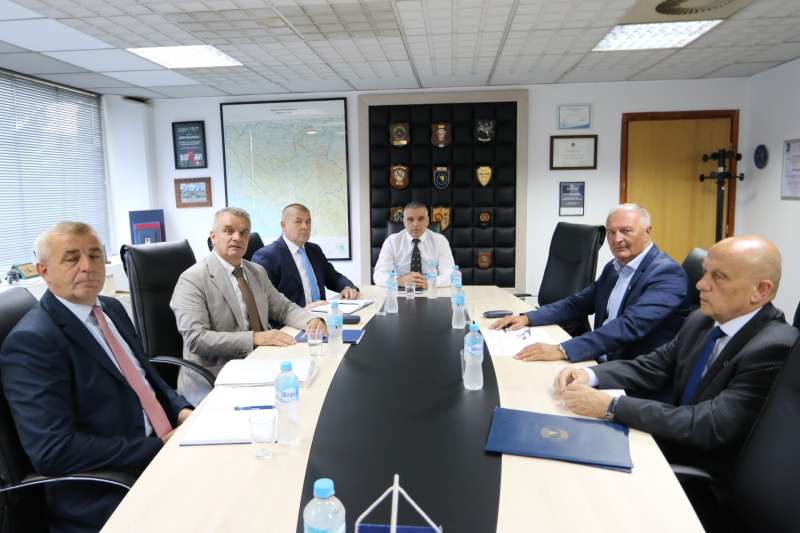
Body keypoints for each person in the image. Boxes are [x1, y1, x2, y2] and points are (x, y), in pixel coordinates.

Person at [0, 222, 193, 533]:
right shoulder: (33, 341)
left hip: (167, 451)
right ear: (43, 271)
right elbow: (54, 450)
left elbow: (146, 379)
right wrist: (157, 447)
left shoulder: (111, 308)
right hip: (113, 486)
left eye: (94, 255)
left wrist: (182, 411)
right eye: (72, 258)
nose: (88, 267)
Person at [553, 235, 798, 478]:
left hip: (705, 472)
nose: (700, 285)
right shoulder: (701, 320)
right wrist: (590, 374)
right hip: (670, 440)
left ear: (761, 290)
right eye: (704, 272)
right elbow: (652, 366)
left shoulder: (774, 347)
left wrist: (611, 406)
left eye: (718, 276)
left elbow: (710, 426)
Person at [491, 204, 689, 362]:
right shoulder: (615, 267)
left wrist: (562, 350)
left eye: (626, 231)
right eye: (611, 232)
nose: (617, 239)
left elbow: (628, 326)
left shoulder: (667, 275)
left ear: (647, 232)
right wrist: (529, 318)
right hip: (599, 357)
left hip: (631, 370)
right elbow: (578, 303)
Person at [171, 207, 326, 406]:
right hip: (216, 377)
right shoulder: (192, 279)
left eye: (244, 233)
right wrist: (254, 338)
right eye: (229, 231)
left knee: (313, 388)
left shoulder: (256, 271)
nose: (237, 237)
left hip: (260, 362)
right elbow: (196, 339)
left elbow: (283, 307)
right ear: (214, 237)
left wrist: (311, 320)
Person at [250, 203, 358, 308]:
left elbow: (334, 277)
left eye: (308, 222)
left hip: (322, 314)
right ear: (283, 226)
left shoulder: (314, 250)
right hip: (293, 318)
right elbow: (266, 303)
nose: (305, 227)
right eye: (298, 222)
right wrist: (302, 311)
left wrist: (347, 287)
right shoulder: (267, 257)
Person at [373, 201, 455, 288]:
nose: (415, 224)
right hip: (402, 289)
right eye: (410, 219)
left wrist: (430, 283)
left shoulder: (440, 241)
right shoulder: (392, 241)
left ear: (427, 221)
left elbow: (451, 275)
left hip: (431, 289)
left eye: (421, 219)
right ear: (404, 222)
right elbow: (378, 275)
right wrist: (399, 281)